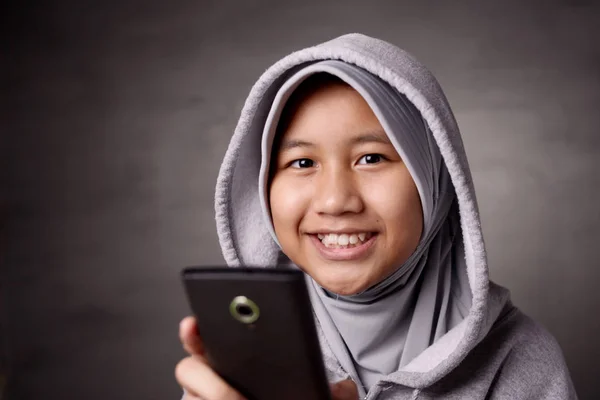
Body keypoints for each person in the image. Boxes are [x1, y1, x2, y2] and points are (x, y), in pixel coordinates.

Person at [175, 33, 577, 399]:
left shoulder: (518, 360)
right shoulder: (248, 359)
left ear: (433, 180)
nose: (335, 201)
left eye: (371, 158)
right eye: (301, 162)